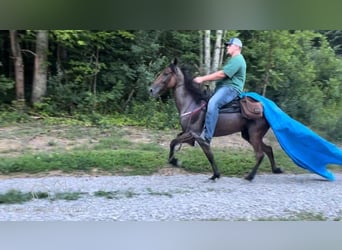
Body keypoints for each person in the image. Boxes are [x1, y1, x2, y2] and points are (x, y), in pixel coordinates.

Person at [193, 37, 246, 145]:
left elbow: (222, 74)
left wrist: (202, 79)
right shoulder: (233, 60)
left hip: (231, 89)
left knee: (213, 103)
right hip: (225, 88)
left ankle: (206, 138)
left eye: (229, 45)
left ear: (236, 47)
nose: (227, 47)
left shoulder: (238, 59)